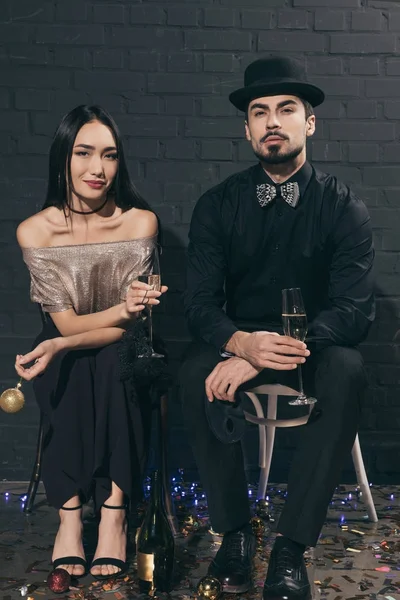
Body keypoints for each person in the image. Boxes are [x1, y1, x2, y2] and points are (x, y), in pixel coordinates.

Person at [179, 56, 375, 600]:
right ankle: (236, 537)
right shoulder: (217, 206)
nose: (272, 121)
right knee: (195, 370)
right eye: (259, 112)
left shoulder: (343, 208)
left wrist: (271, 353)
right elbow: (197, 305)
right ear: (246, 128)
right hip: (240, 341)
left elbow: (354, 311)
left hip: (314, 350)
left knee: (349, 369)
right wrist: (239, 343)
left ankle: (290, 551)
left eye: (286, 109)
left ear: (309, 123)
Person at [15, 105, 167, 580]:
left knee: (107, 359)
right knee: (75, 362)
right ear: (63, 156)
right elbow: (64, 327)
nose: (97, 169)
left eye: (110, 155)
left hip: (125, 346)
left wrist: (114, 319)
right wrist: (71, 339)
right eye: (84, 153)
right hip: (65, 343)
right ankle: (70, 517)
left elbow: (130, 328)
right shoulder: (36, 230)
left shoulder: (139, 222)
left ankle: (113, 514)